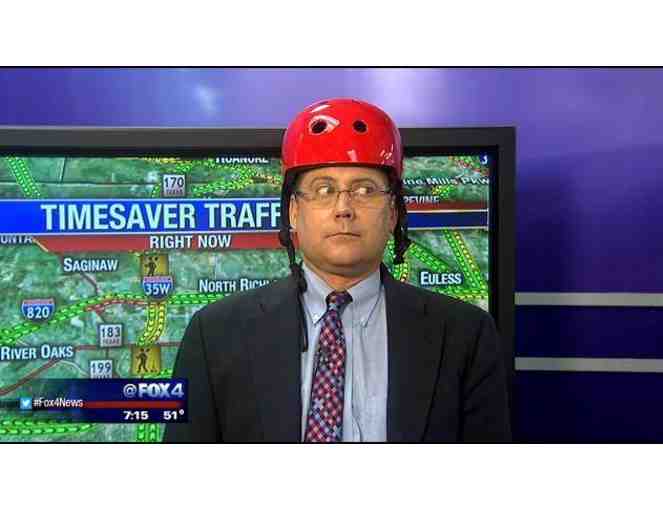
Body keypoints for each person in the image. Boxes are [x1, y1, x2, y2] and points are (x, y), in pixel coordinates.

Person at [164, 98, 511, 442]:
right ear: (294, 212)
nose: (343, 208)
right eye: (324, 190)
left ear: (393, 213)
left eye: (365, 190)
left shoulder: (466, 336)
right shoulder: (214, 335)